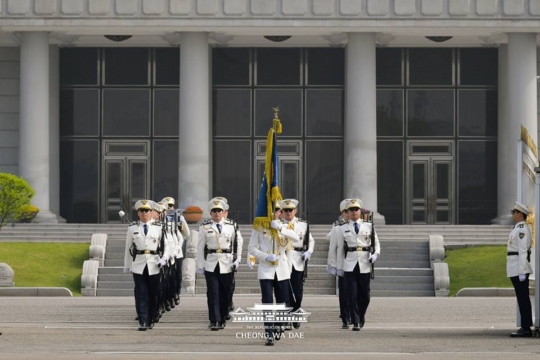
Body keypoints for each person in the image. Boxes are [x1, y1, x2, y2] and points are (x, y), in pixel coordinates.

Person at [248, 207, 299, 346]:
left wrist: (281, 229)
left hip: (281, 269)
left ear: (280, 213)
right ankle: (269, 333)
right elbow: (252, 248)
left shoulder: (285, 226)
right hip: (266, 269)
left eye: (277, 210)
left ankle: (279, 325)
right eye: (271, 209)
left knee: (283, 301)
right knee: (267, 301)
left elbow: (296, 237)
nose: (274, 212)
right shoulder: (259, 227)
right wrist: (265, 256)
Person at [123, 200, 170, 331]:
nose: (144, 213)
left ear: (151, 212)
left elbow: (167, 246)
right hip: (138, 264)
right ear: (138, 213)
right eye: (142, 211)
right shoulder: (132, 228)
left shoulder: (159, 228)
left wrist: (164, 258)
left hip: (154, 264)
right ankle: (143, 321)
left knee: (153, 293)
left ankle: (151, 318)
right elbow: (128, 248)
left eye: (147, 211)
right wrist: (127, 265)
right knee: (141, 293)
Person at [335, 198, 380, 331]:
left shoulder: (369, 226)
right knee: (351, 294)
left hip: (365, 263)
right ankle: (355, 321)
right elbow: (339, 249)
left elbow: (376, 243)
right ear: (347, 213)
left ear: (360, 211)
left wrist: (375, 254)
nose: (354, 212)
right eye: (351, 210)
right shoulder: (342, 228)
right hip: (349, 263)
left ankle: (360, 315)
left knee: (365, 295)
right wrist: (338, 267)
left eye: (356, 209)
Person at [196, 198, 240, 331]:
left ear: (223, 212)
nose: (217, 213)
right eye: (214, 211)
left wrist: (237, 259)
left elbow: (237, 244)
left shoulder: (231, 226)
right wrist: (200, 265)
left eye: (219, 211)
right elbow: (200, 247)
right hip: (211, 263)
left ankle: (222, 317)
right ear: (210, 213)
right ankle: (215, 320)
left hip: (226, 263)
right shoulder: (204, 228)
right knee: (213, 293)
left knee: (225, 293)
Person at [279, 199, 314, 329]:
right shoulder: (278, 225)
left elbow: (310, 241)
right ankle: (289, 316)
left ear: (295, 211)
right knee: (285, 290)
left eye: (291, 210)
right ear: (282, 212)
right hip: (283, 260)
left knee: (298, 292)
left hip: (298, 259)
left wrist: (309, 252)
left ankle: (296, 310)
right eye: (286, 210)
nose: (288, 213)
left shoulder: (303, 225)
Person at [507, 201, 533, 338]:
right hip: (515, 267)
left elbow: (522, 251)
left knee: (523, 298)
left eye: (514, 212)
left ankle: (526, 327)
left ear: (520, 214)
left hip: (518, 268)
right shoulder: (518, 228)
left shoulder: (522, 229)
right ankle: (525, 326)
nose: (512, 214)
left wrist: (522, 271)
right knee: (522, 297)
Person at [326, 199, 351, 329]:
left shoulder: (359, 225)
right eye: (346, 212)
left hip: (355, 264)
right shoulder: (337, 226)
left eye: (351, 211)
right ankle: (345, 317)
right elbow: (332, 246)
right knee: (344, 292)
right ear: (342, 213)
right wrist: (333, 265)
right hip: (343, 263)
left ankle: (353, 313)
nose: (349, 214)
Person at [161, 197, 190, 307]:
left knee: (177, 276)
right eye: (166, 206)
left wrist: (176, 242)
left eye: (170, 206)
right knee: (166, 277)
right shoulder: (159, 218)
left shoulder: (178, 218)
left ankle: (176, 293)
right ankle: (166, 298)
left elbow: (186, 234)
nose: (169, 208)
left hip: (176, 252)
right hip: (164, 253)